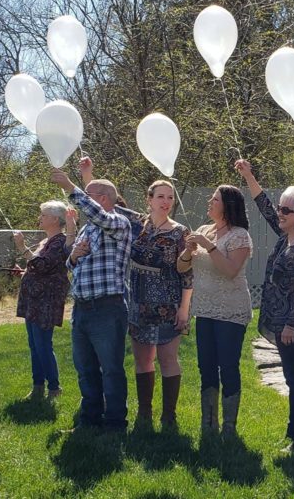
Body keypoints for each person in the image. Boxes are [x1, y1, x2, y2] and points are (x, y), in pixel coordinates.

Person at [80, 158, 193, 429]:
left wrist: (184, 310)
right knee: (143, 361)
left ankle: (169, 415)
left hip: (169, 303)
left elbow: (187, 274)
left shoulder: (180, 232)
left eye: (170, 197)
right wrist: (88, 175)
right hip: (139, 303)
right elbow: (103, 206)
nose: (166, 202)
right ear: (149, 200)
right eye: (160, 197)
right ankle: (144, 413)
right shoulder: (134, 224)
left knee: (168, 361)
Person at [235, 158, 294, 451]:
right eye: (281, 208)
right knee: (293, 378)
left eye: (286, 209)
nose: (279, 213)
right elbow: (265, 207)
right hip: (287, 322)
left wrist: (290, 325)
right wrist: (248, 175)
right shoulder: (288, 236)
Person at [53, 166, 133, 431]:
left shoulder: (118, 223)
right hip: (82, 309)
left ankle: (115, 424)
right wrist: (73, 257)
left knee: (111, 370)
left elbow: (98, 216)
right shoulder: (87, 231)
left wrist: (69, 187)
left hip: (107, 308)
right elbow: (73, 265)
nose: (84, 201)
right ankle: (89, 420)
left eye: (89, 195)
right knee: (85, 369)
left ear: (103, 199)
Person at [185, 185, 253, 435]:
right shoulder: (205, 230)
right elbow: (184, 268)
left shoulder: (239, 236)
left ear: (228, 205)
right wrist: (187, 251)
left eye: (215, 199)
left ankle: (229, 427)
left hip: (230, 311)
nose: (209, 202)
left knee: (228, 366)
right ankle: (208, 424)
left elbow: (230, 270)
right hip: (204, 310)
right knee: (206, 365)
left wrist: (209, 246)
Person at [13, 200, 76, 401]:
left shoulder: (59, 242)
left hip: (45, 302)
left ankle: (54, 388)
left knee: (43, 345)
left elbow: (43, 265)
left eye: (43, 215)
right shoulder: (44, 242)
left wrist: (22, 247)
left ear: (56, 220)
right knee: (34, 344)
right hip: (33, 300)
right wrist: (25, 272)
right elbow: (37, 268)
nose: (39, 218)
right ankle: (38, 386)